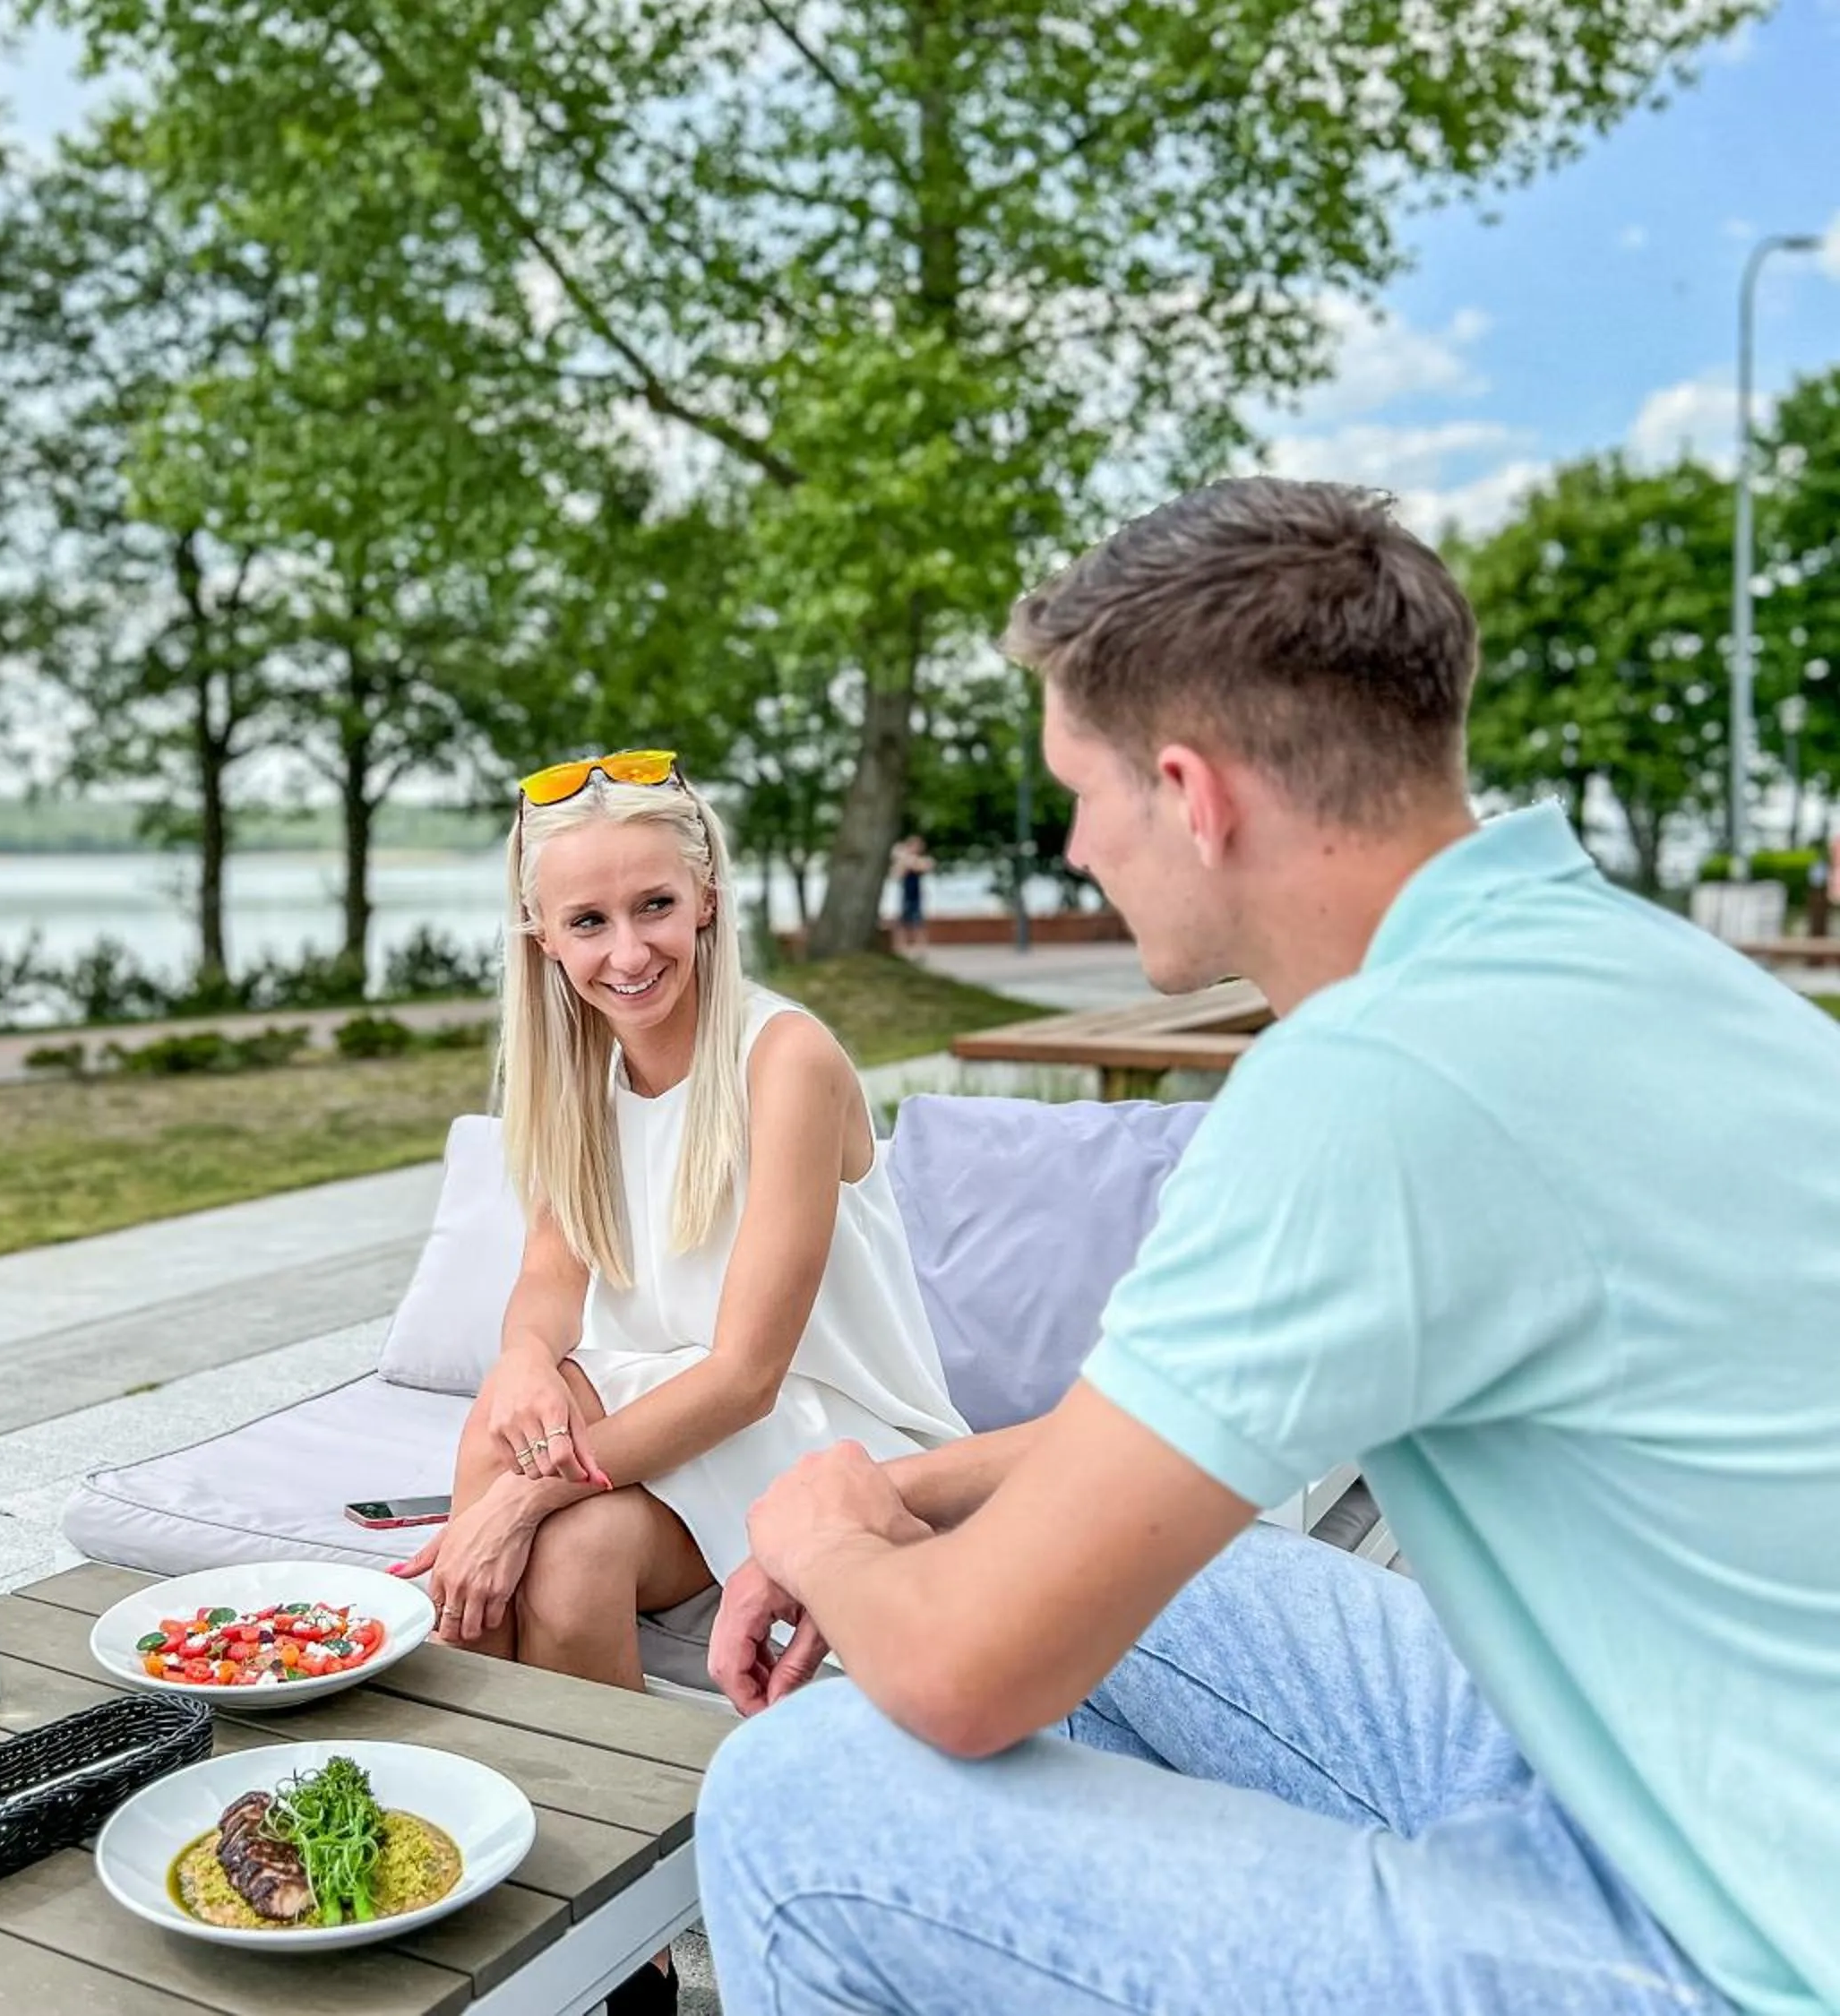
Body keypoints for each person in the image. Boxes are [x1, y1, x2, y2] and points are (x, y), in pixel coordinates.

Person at [695, 479, 1840, 2013]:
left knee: (801, 1804)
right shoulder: (1628, 960)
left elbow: (968, 1678)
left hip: (1727, 1945)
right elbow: (1138, 1458)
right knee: (1167, 1580)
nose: (1079, 848)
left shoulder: (1370, 1085)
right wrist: (900, 1493)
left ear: (1191, 791)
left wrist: (820, 1534)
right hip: (1659, 1756)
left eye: (1081, 794)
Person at [393, 747, 969, 2013]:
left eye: (654, 905)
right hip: (663, 1401)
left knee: (559, 1535)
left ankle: (622, 1929)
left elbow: (752, 1374)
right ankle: (546, 1908)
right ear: (540, 935)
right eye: (588, 920)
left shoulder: (785, 1059)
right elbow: (548, 1286)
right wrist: (522, 1360)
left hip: (816, 1423)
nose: (627, 951)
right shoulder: (578, 1074)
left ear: (707, 894)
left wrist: (516, 1499)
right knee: (519, 1434)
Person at [887, 831, 934, 933]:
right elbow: (895, 874)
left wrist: (905, 858)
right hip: (904, 892)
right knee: (902, 920)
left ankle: (919, 945)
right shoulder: (903, 861)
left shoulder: (922, 859)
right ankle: (901, 945)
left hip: (917, 893)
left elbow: (924, 866)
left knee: (918, 921)